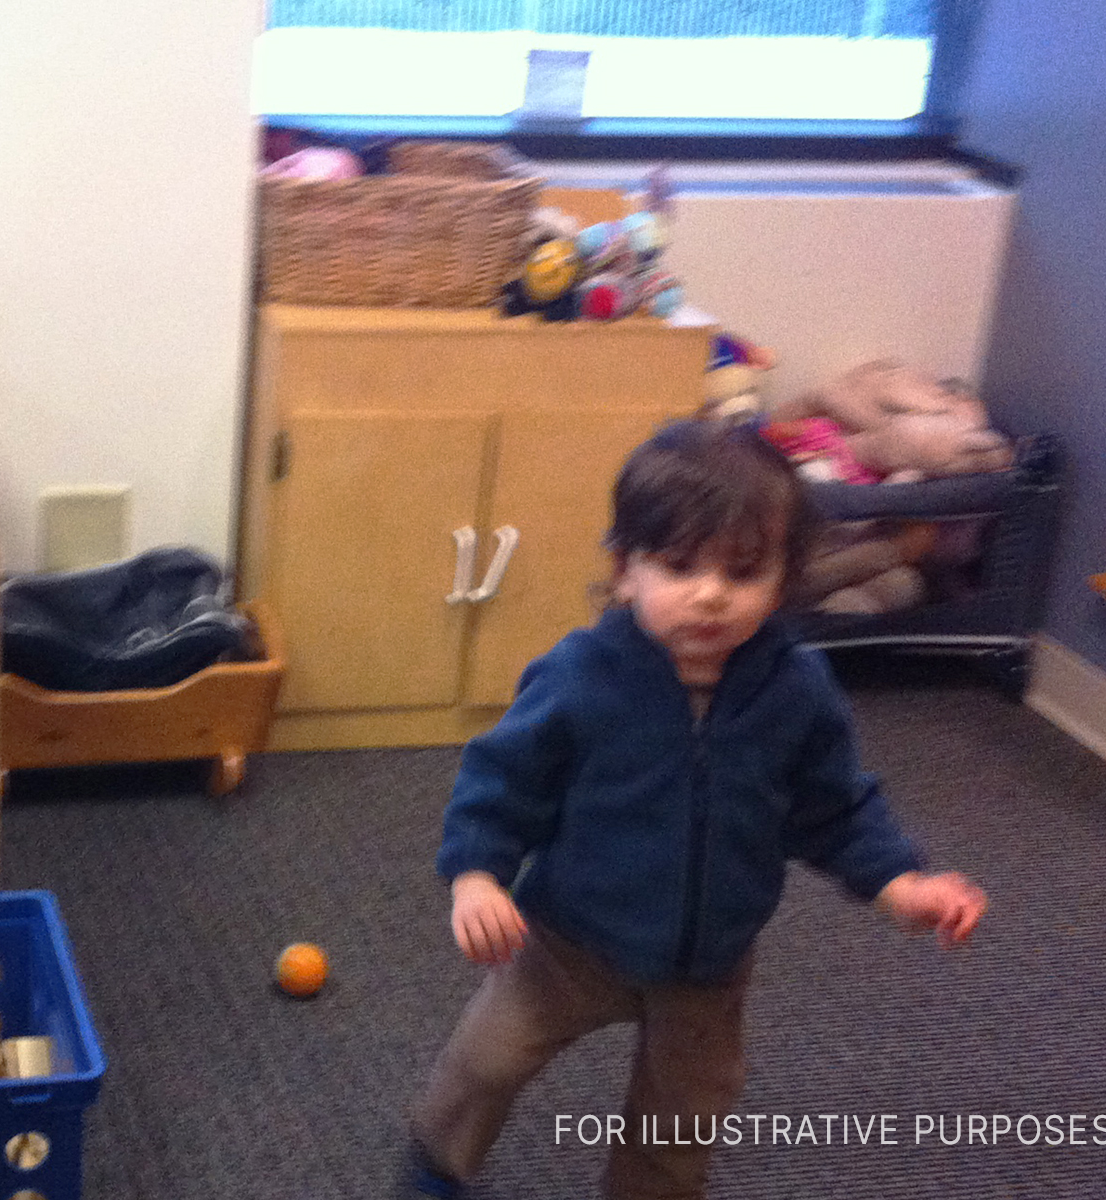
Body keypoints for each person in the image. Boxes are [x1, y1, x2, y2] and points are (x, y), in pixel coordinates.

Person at [406, 419, 989, 1199]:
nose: (710, 594)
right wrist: (477, 875)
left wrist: (902, 883)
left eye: (743, 572)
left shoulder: (795, 691)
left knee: (683, 1116)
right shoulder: (582, 677)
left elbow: (835, 808)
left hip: (709, 961)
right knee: (486, 1061)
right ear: (625, 570)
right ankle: (436, 1164)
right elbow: (503, 780)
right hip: (571, 940)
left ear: (781, 582)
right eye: (679, 566)